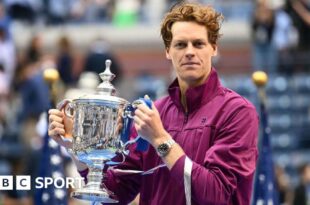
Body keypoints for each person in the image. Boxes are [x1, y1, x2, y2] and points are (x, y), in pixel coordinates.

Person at [48, 2, 259, 205]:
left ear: (214, 48)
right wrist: (78, 150)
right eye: (180, 44)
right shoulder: (154, 113)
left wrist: (160, 139)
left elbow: (217, 194)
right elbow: (116, 194)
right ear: (168, 51)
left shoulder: (237, 112)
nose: (189, 52)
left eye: (198, 43)